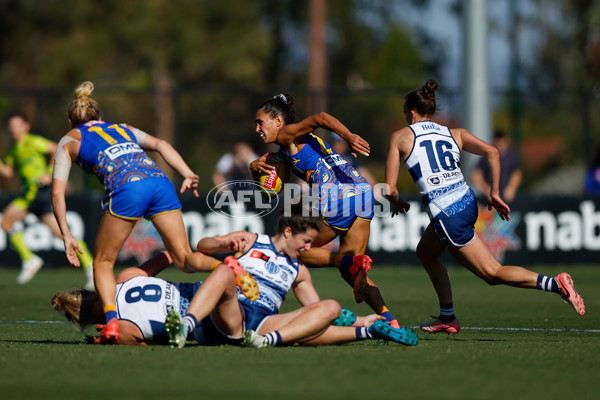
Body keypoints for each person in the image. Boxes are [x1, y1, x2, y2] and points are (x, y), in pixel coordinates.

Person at [51, 81, 258, 342]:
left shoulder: (69, 140)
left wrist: (66, 234)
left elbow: (57, 193)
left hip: (127, 187)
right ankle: (226, 265)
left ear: (71, 122)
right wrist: (186, 172)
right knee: (183, 258)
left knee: (103, 263)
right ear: (100, 117)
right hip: (160, 182)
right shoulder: (121, 128)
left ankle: (112, 321)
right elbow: (160, 144)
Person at [384, 79, 585, 335]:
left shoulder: (400, 137)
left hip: (448, 214)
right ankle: (447, 317)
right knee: (426, 252)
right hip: (467, 202)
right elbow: (492, 152)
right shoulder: (455, 133)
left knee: (492, 273)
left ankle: (555, 284)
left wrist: (396, 201)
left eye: (405, 115)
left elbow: (389, 188)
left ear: (411, 113)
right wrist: (495, 193)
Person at [51, 209, 418, 347]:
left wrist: (335, 315)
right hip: (224, 313)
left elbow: (312, 312)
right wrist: (225, 243)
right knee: (229, 269)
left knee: (327, 309)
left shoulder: (300, 269)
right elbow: (193, 249)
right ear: (288, 232)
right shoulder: (251, 241)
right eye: (306, 241)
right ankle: (188, 324)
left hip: (262, 321)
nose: (308, 249)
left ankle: (369, 329)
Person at [249, 93, 402, 329]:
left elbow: (320, 117)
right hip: (362, 191)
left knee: (295, 250)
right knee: (353, 271)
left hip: (340, 197)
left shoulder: (287, 134)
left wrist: (349, 136)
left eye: (261, 122)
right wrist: (253, 169)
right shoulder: (286, 147)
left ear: (278, 121)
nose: (257, 128)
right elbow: (269, 191)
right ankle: (390, 320)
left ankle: (344, 263)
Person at [0, 111, 94, 287]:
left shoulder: (33, 141)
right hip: (29, 195)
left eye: (17, 124)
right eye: (11, 126)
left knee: (8, 221)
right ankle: (88, 266)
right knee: (10, 223)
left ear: (26, 126)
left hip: (40, 192)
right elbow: (9, 173)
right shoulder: (14, 149)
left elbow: (55, 149)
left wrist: (49, 173)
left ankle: (32, 259)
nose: (13, 128)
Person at [470, 130, 522, 203]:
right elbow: (476, 174)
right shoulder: (487, 156)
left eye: (501, 140)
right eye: (497, 140)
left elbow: (516, 173)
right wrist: (485, 188)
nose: (499, 143)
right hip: (490, 198)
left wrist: (512, 187)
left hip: (506, 197)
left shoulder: (511, 156)